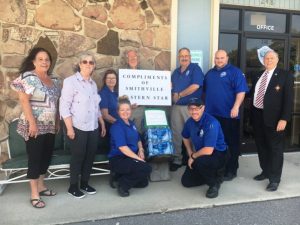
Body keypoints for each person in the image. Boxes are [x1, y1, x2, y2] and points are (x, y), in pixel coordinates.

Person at [10, 47, 60, 208]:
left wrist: (57, 121)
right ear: (33, 61)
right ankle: (34, 194)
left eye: (47, 59)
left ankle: (41, 186)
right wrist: (32, 123)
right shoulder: (28, 77)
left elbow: (56, 103)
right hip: (34, 126)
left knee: (46, 157)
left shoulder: (54, 80)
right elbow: (24, 101)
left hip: (50, 126)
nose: (44, 62)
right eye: (41, 59)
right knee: (35, 158)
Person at [60, 52, 106, 198]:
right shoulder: (70, 82)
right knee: (78, 156)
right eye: (84, 62)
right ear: (79, 64)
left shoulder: (93, 84)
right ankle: (73, 186)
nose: (88, 64)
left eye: (91, 62)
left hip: (93, 126)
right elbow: (64, 106)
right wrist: (69, 128)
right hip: (77, 127)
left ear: (94, 66)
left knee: (90, 156)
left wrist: (102, 123)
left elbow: (96, 107)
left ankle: (85, 183)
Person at [250, 50, 294, 191]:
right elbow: (253, 93)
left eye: (271, 58)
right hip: (257, 115)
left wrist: (284, 118)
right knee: (261, 146)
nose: (268, 60)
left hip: (275, 119)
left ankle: (274, 179)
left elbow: (288, 100)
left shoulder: (285, 75)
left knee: (275, 149)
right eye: (266, 58)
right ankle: (266, 171)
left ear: (277, 59)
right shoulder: (258, 75)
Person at [204, 49, 248, 181]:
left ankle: (231, 170)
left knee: (231, 143)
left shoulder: (235, 72)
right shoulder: (209, 74)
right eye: (217, 58)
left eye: (222, 58)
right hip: (211, 115)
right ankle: (219, 168)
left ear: (227, 58)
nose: (219, 60)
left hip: (229, 115)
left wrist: (236, 107)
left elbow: (241, 92)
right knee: (216, 143)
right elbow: (205, 92)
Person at [181, 98, 227, 198]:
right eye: (191, 109)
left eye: (197, 108)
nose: (194, 111)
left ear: (203, 108)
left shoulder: (211, 123)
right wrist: (190, 152)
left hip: (217, 153)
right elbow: (185, 136)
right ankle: (211, 173)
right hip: (201, 154)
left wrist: (193, 157)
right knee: (186, 182)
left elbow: (208, 150)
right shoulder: (189, 122)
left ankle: (214, 184)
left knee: (199, 162)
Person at [108, 96, 152, 197]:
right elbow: (123, 148)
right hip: (119, 159)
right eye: (122, 110)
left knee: (143, 183)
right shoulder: (117, 126)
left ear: (131, 110)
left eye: (127, 109)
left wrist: (140, 150)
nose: (125, 112)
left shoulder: (130, 123)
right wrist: (138, 159)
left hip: (130, 157)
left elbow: (138, 138)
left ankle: (119, 177)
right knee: (146, 168)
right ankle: (122, 185)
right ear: (118, 111)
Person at [170, 47, 204, 171]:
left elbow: (195, 86)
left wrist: (179, 95)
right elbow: (171, 87)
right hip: (177, 107)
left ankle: (196, 159)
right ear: (179, 58)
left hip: (191, 108)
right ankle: (177, 159)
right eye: (181, 56)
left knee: (194, 133)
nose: (184, 58)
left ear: (190, 57)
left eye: (186, 55)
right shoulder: (175, 72)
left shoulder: (195, 68)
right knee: (176, 133)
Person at [125, 50, 145, 134]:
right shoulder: (123, 73)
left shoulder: (144, 73)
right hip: (127, 109)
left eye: (134, 57)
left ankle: (139, 147)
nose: (133, 59)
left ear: (138, 58)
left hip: (140, 108)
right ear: (127, 59)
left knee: (138, 132)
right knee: (127, 131)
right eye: (130, 57)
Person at [98, 69, 118, 151]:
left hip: (116, 126)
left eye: (113, 78)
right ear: (105, 80)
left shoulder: (115, 93)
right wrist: (120, 123)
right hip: (110, 128)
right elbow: (105, 116)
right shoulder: (103, 93)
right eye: (108, 78)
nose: (111, 80)